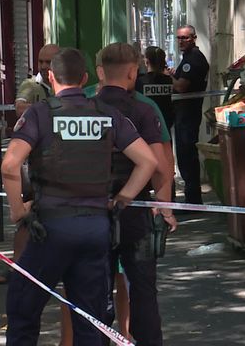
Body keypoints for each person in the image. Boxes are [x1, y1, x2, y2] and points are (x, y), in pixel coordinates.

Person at [2, 47, 158, 345]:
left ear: (50, 77)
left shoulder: (40, 114)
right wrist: (122, 199)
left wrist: (18, 211)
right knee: (90, 320)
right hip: (95, 229)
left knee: (23, 309)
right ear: (85, 77)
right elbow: (148, 161)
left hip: (50, 228)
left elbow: (10, 164)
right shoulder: (107, 115)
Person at [96, 43, 177, 346]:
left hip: (93, 212)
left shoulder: (85, 110)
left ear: (100, 72)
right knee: (143, 292)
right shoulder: (143, 110)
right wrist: (165, 207)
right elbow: (159, 166)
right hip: (135, 213)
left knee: (96, 292)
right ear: (133, 72)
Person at [168, 25, 209, 204]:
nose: (181, 41)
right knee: (185, 156)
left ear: (194, 38)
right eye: (178, 38)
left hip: (188, 114)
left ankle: (193, 200)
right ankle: (192, 199)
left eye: (185, 38)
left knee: (187, 157)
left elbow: (181, 86)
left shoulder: (193, 59)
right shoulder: (188, 58)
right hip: (184, 114)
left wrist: (166, 75)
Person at [136, 46, 174, 131]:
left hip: (146, 125)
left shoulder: (140, 81)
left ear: (147, 61)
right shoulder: (168, 80)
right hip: (166, 123)